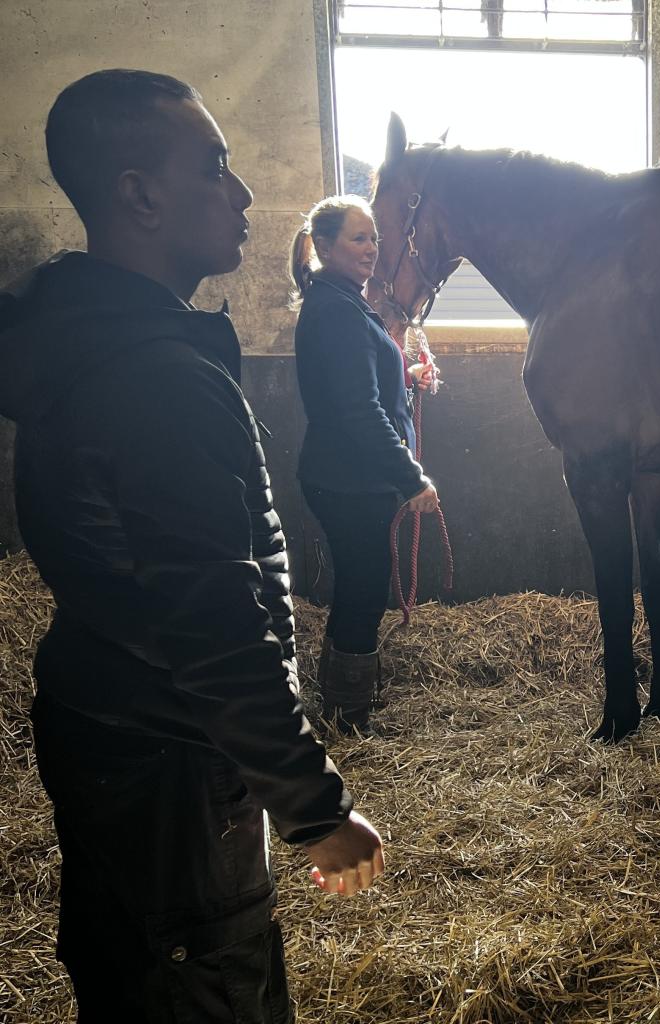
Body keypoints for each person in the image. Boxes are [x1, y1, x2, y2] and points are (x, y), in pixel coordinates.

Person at [0, 69, 385, 1022]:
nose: (245, 194)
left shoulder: (80, 336)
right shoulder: (160, 378)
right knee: (200, 981)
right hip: (172, 760)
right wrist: (314, 809)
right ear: (139, 195)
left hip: (107, 734)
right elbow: (216, 624)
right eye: (215, 166)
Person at [289, 195, 439, 733]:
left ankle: (341, 697)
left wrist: (405, 377)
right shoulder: (335, 311)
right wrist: (412, 476)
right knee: (364, 586)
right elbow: (357, 411)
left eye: (374, 238)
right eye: (358, 238)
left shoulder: (341, 302)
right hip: (349, 478)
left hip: (347, 475)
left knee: (360, 581)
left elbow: (359, 389)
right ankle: (348, 715)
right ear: (323, 246)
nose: (372, 249)